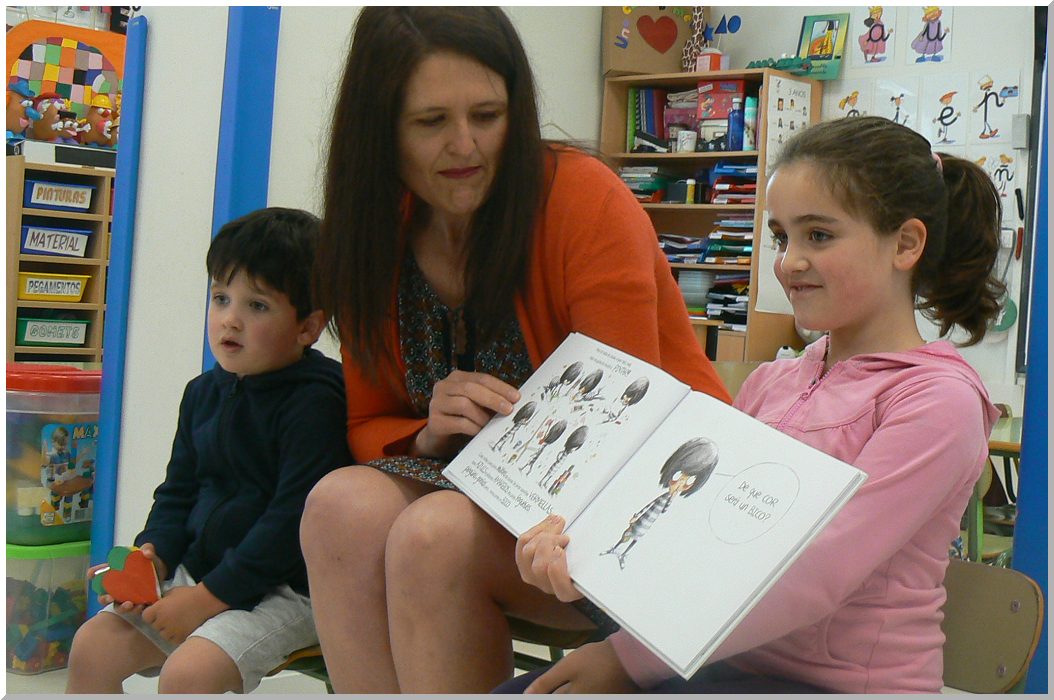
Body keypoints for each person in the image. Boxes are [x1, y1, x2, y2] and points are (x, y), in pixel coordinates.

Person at [299, 7, 730, 694]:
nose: (464, 145)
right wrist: (430, 432)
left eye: (488, 115)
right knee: (338, 507)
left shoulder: (582, 198)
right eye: (430, 121)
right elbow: (366, 424)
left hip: (627, 515)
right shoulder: (374, 231)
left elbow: (626, 429)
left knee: (432, 534)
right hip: (488, 511)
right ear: (379, 131)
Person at [508, 115, 1004, 693]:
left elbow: (815, 574)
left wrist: (628, 659)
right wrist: (584, 559)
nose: (789, 262)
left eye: (818, 236)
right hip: (717, 667)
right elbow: (688, 531)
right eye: (781, 237)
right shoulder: (772, 382)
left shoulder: (938, 402)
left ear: (906, 243)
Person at [65, 208, 351, 693]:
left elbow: (290, 525)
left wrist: (206, 599)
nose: (230, 319)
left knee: (189, 674)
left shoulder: (317, 402)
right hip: (204, 573)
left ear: (307, 327)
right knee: (93, 646)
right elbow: (177, 493)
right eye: (221, 298)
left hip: (287, 590)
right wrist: (153, 555)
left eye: (257, 305)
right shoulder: (202, 393)